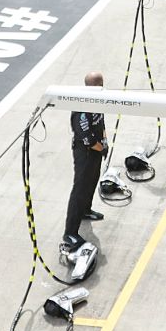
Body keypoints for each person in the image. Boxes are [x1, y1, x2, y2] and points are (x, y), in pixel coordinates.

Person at [64, 71, 110, 252]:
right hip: (85, 152)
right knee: (80, 190)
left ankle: (86, 210)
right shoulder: (82, 109)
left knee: (92, 181)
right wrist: (101, 147)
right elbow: (87, 139)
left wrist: (105, 141)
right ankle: (69, 232)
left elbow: (101, 123)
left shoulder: (97, 101)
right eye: (100, 84)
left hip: (97, 149)